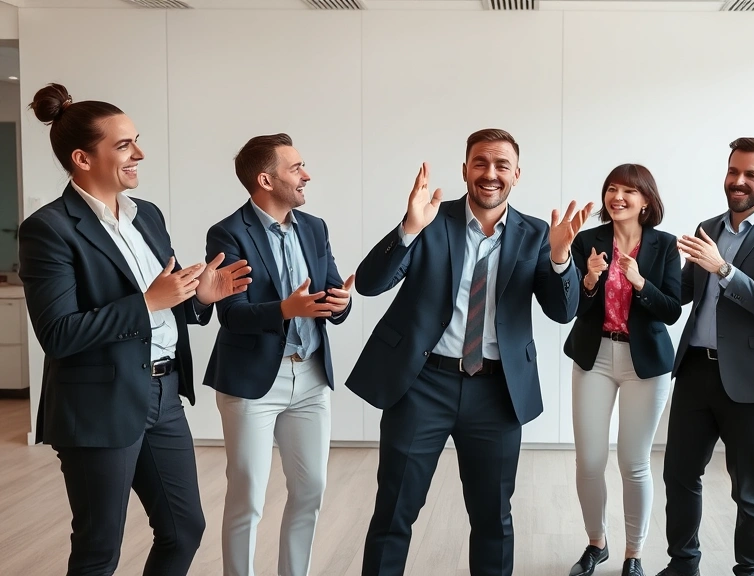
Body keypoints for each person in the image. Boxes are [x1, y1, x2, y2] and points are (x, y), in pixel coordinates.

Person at [19, 83, 250, 576]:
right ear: (82, 158)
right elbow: (59, 333)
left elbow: (167, 302)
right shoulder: (49, 229)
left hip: (163, 394)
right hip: (96, 405)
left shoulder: (148, 217)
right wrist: (146, 303)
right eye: (124, 145)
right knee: (99, 548)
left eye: (136, 140)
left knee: (185, 530)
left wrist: (198, 298)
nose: (139, 153)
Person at [346, 128, 592, 576]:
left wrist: (560, 258)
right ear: (465, 170)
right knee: (394, 512)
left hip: (497, 392)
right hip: (422, 384)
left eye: (501, 165)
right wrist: (408, 228)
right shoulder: (429, 219)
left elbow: (562, 311)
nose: (490, 173)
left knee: (493, 519)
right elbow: (369, 283)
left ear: (517, 174)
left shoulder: (537, 234)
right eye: (480, 163)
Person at [657, 137, 754, 576]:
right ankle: (682, 564)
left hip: (750, 379)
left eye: (750, 175)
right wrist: (641, 273)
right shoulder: (710, 226)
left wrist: (723, 269)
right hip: (694, 373)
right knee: (679, 475)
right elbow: (682, 294)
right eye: (733, 172)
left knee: (747, 487)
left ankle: (749, 572)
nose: (738, 182)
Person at [203, 133, 355, 576]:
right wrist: (286, 309)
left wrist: (339, 304)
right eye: (296, 168)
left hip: (309, 376)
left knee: (311, 490)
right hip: (252, 382)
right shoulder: (228, 232)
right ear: (265, 179)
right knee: (247, 494)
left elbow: (328, 295)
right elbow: (229, 314)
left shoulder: (314, 227)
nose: (306, 175)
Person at [563, 164, 681, 576]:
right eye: (612, 189)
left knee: (634, 461)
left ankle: (634, 553)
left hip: (644, 364)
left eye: (629, 191)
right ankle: (597, 543)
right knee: (590, 461)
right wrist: (590, 280)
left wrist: (641, 282)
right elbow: (572, 307)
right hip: (594, 357)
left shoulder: (664, 245)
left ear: (646, 200)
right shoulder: (587, 242)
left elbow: (671, 309)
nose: (618, 197)